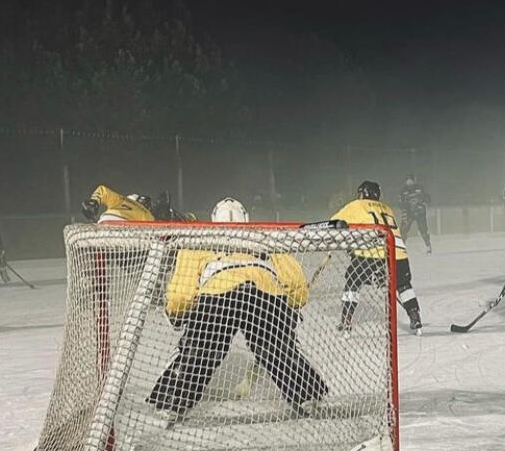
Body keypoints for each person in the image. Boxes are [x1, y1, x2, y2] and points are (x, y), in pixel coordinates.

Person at [146, 197, 327, 417]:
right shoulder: (263, 236)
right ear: (246, 218)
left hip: (217, 294)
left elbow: (182, 290)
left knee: (201, 351)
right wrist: (293, 303)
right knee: (277, 350)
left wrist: (176, 312)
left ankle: (171, 404)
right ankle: (309, 397)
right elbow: (294, 280)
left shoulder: (198, 240)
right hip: (264, 292)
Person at [331, 180, 424, 335]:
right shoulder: (387, 208)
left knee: (353, 282)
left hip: (371, 253)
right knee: (403, 285)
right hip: (398, 253)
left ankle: (346, 321)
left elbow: (334, 222)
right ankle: (415, 317)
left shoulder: (357, 205)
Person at [81, 185, 155, 224]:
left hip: (105, 221)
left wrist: (94, 201)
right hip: (127, 232)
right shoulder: (147, 213)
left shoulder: (121, 199)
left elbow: (102, 190)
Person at [398, 174, 433, 253]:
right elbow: (400, 203)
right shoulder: (403, 190)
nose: (409, 182)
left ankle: (428, 246)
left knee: (423, 229)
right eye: (408, 180)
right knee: (403, 230)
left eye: (411, 180)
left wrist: (423, 204)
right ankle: (401, 248)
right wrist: (405, 209)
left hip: (419, 212)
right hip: (408, 213)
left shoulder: (420, 188)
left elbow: (427, 198)